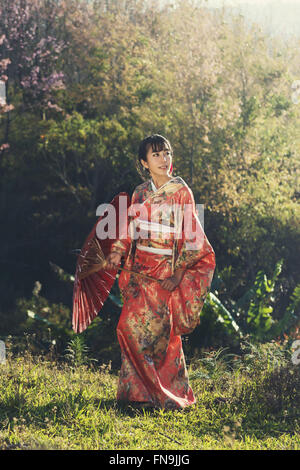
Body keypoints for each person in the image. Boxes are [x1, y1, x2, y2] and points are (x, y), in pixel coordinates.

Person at [106, 134, 216, 410]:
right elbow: (131, 227)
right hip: (138, 272)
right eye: (156, 155)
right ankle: (136, 393)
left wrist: (178, 274)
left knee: (161, 335)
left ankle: (165, 394)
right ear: (144, 162)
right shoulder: (140, 192)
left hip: (165, 272)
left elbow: (191, 235)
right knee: (127, 328)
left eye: (166, 153)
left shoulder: (181, 192)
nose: (163, 159)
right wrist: (118, 251)